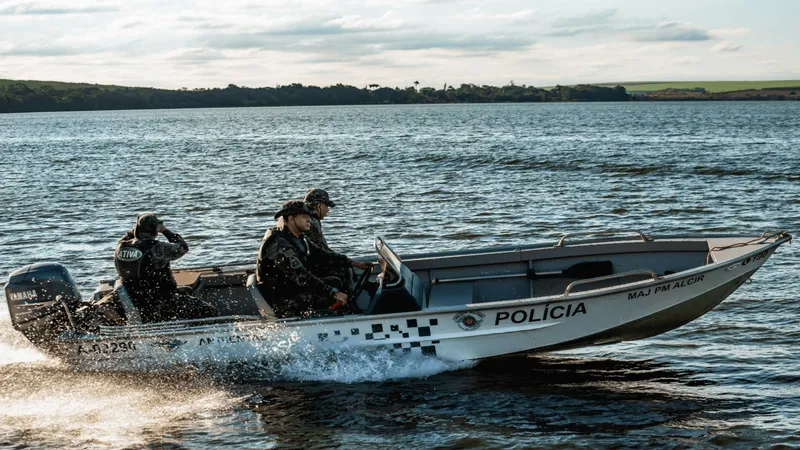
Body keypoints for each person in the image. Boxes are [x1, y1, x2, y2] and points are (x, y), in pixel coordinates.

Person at [256, 200, 372, 318]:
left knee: (338, 275)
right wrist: (334, 293)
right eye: (304, 217)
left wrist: (354, 263)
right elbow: (301, 276)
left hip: (293, 290)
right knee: (330, 292)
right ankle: (343, 319)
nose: (309, 220)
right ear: (291, 219)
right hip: (284, 301)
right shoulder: (280, 244)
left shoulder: (299, 238)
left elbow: (323, 255)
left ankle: (349, 313)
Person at [114, 213, 216, 323]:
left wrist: (138, 227)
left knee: (187, 290)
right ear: (155, 230)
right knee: (210, 311)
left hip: (135, 300)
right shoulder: (157, 247)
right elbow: (183, 247)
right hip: (161, 301)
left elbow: (128, 235)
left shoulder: (120, 247)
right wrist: (165, 231)